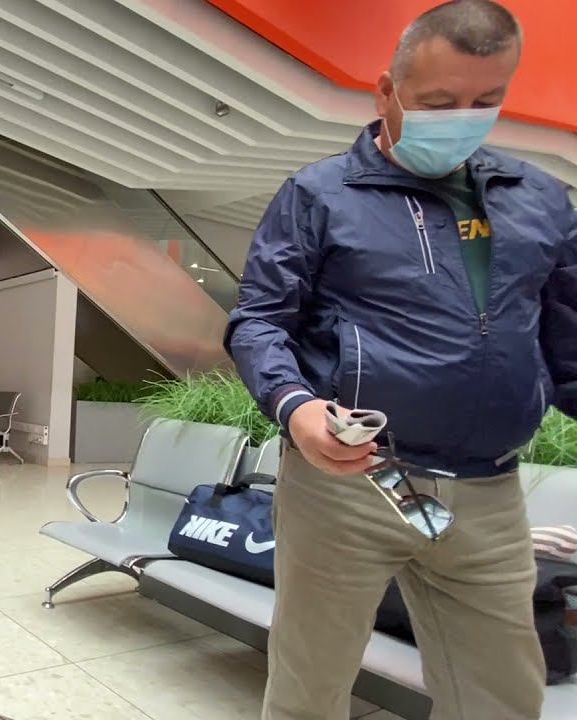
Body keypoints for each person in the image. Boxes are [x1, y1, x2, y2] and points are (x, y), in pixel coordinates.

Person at [226, 1, 576, 718]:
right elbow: (259, 320)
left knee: (503, 700)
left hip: (488, 495)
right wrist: (295, 407)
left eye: (486, 100)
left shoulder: (541, 200)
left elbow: (568, 343)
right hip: (352, 483)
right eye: (439, 103)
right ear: (386, 90)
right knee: (309, 692)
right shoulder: (321, 195)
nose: (463, 119)